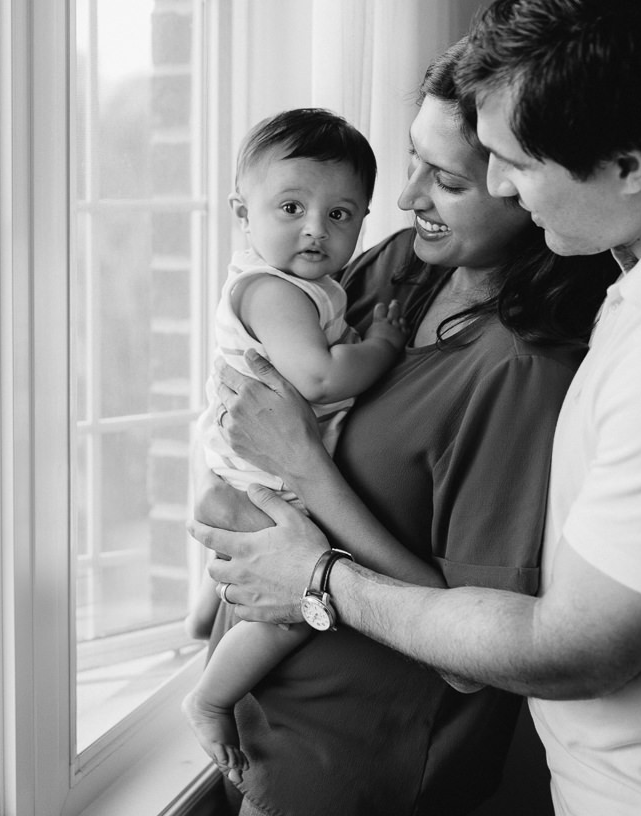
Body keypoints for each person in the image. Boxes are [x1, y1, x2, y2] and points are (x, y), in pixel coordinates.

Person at [193, 0, 641, 816]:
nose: (501, 183)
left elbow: (572, 648)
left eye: (510, 164)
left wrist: (317, 577)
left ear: (629, 165)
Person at [191, 42, 616, 815]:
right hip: (261, 723)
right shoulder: (405, 267)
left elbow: (477, 659)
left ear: (527, 188)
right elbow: (274, 375)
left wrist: (309, 478)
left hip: (355, 761)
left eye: (446, 181)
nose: (407, 197)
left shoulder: (520, 371)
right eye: (412, 161)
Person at [181, 107, 417, 777]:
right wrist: (383, 346)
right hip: (262, 476)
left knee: (244, 555)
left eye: (341, 214)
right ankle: (210, 698)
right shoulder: (273, 292)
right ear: (243, 212)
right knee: (289, 611)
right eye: (291, 206)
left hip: (245, 466)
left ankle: (206, 612)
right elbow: (315, 378)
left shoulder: (310, 287)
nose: (316, 227)